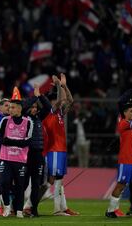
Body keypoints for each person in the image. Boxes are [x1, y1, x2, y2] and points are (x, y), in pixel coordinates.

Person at [42, 74, 78, 216]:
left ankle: (63, 207)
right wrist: (58, 85)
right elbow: (60, 101)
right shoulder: (49, 113)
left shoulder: (59, 114)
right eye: (55, 100)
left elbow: (70, 100)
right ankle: (56, 209)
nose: (60, 102)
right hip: (54, 150)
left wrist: (64, 86)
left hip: (60, 150)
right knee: (55, 179)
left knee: (58, 180)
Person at [0, 96, 33, 218]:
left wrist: (9, 141)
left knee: (20, 186)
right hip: (5, 158)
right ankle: (6, 207)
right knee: (4, 183)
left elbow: (28, 141)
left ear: (19, 109)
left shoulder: (28, 122)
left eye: (12, 107)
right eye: (9, 107)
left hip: (20, 160)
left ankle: (18, 211)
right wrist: (15, 142)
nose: (10, 109)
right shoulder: (5, 120)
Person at [22, 83, 52, 217]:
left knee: (36, 184)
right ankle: (17, 208)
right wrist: (33, 98)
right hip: (26, 154)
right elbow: (23, 106)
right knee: (22, 183)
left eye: (35, 107)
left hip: (38, 155)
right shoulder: (23, 118)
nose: (34, 109)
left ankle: (33, 209)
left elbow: (48, 107)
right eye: (32, 107)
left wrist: (40, 96)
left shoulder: (40, 118)